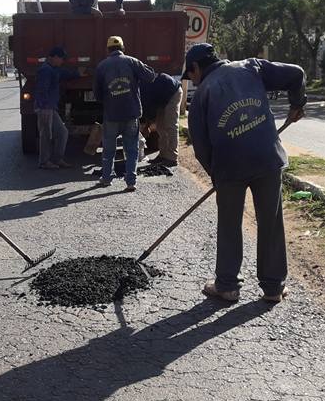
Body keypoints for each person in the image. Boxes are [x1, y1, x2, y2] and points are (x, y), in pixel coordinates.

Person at [182, 43, 306, 304]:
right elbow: (296, 73)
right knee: (270, 223)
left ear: (195, 67)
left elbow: (201, 147)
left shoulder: (202, 94)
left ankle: (227, 286)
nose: (192, 80)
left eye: (190, 75)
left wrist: (217, 175)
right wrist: (297, 103)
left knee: (229, 225)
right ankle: (273, 288)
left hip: (229, 168)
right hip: (267, 159)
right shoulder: (251, 67)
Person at [93, 35, 156, 191]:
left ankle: (106, 178)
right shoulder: (132, 61)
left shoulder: (102, 66)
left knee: (109, 149)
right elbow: (150, 76)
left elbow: (97, 94)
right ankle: (131, 182)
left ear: (108, 50)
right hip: (131, 114)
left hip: (111, 115)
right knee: (131, 149)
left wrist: (107, 101)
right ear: (123, 48)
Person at [34, 46, 80, 169]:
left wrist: (78, 73)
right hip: (45, 108)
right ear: (54, 57)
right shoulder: (45, 70)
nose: (62, 61)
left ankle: (57, 159)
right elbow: (41, 90)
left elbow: (64, 74)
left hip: (50, 108)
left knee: (62, 132)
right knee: (46, 135)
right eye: (61, 59)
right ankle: (44, 162)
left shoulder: (53, 69)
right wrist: (44, 107)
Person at [139, 72, 183, 167]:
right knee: (160, 127)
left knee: (171, 126)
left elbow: (149, 110)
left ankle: (172, 158)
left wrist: (146, 127)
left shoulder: (141, 91)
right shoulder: (140, 90)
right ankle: (163, 155)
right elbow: (149, 110)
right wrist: (147, 126)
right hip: (161, 97)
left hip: (172, 92)